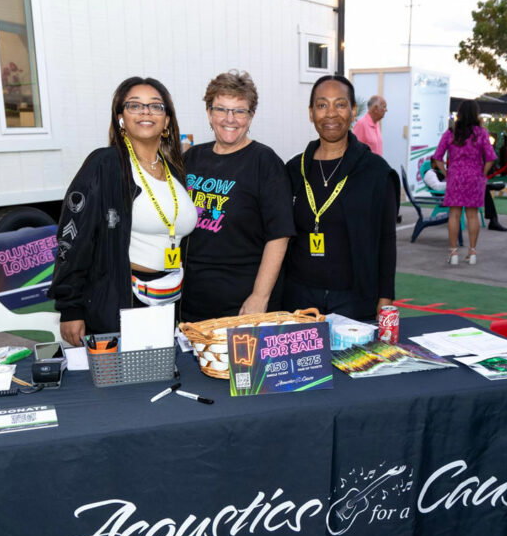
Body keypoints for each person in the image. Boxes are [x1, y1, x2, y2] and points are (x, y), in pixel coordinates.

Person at [50, 77, 198, 345]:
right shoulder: (104, 165)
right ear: (120, 118)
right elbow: (73, 238)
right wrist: (70, 307)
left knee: (164, 378)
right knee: (123, 385)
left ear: (166, 121)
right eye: (134, 105)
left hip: (170, 298)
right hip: (121, 302)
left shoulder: (175, 168)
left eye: (156, 106)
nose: (145, 112)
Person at [181, 70, 294, 321]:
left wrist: (259, 297)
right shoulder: (191, 158)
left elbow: (279, 236)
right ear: (209, 113)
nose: (229, 119)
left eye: (239, 111)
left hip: (243, 303)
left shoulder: (265, 162)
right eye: (221, 109)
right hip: (192, 299)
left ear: (251, 116)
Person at [282, 75, 398, 320]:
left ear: (353, 110)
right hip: (297, 299)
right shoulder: (293, 170)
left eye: (340, 104)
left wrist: (385, 299)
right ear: (311, 113)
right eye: (322, 105)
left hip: (354, 301)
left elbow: (386, 240)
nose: (331, 114)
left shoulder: (376, 172)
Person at [431, 99, 496, 265]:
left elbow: (437, 157)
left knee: (454, 214)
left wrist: (446, 173)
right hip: (475, 176)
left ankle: (453, 253)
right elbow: (490, 158)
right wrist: (483, 173)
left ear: (459, 114)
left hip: (455, 177)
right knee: (472, 215)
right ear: (476, 114)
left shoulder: (451, 132)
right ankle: (472, 252)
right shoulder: (481, 133)